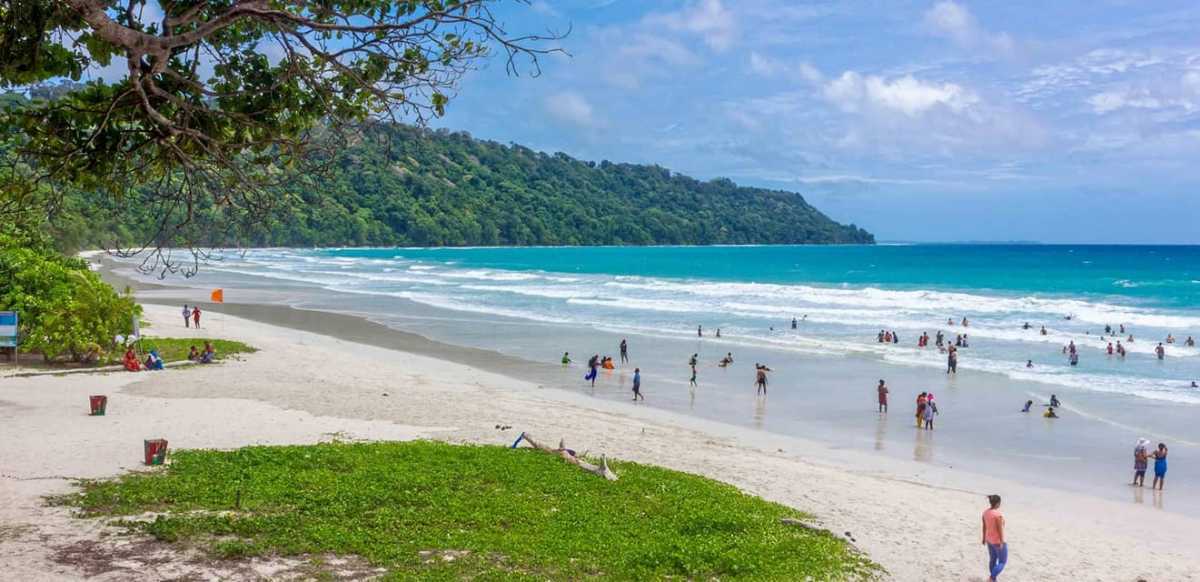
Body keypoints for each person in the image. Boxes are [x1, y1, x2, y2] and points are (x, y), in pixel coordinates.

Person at [982, 494, 1007, 582]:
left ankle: (993, 579)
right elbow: (1000, 529)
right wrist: (1001, 542)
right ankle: (992, 578)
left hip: (989, 540)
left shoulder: (985, 513)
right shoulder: (997, 515)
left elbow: (984, 526)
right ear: (997, 504)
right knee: (1002, 562)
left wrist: (983, 538)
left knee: (993, 560)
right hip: (997, 541)